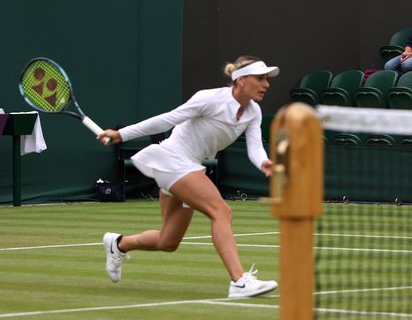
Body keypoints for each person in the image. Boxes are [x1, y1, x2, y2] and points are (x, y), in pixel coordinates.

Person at [98, 56, 280, 298]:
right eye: (260, 78)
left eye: (267, 79)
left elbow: (255, 146)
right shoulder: (210, 98)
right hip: (172, 159)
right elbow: (167, 119)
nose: (266, 84)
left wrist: (263, 162)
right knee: (222, 212)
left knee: (168, 241)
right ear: (241, 80)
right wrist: (122, 134)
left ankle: (118, 244)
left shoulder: (253, 111)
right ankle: (239, 281)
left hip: (188, 165)